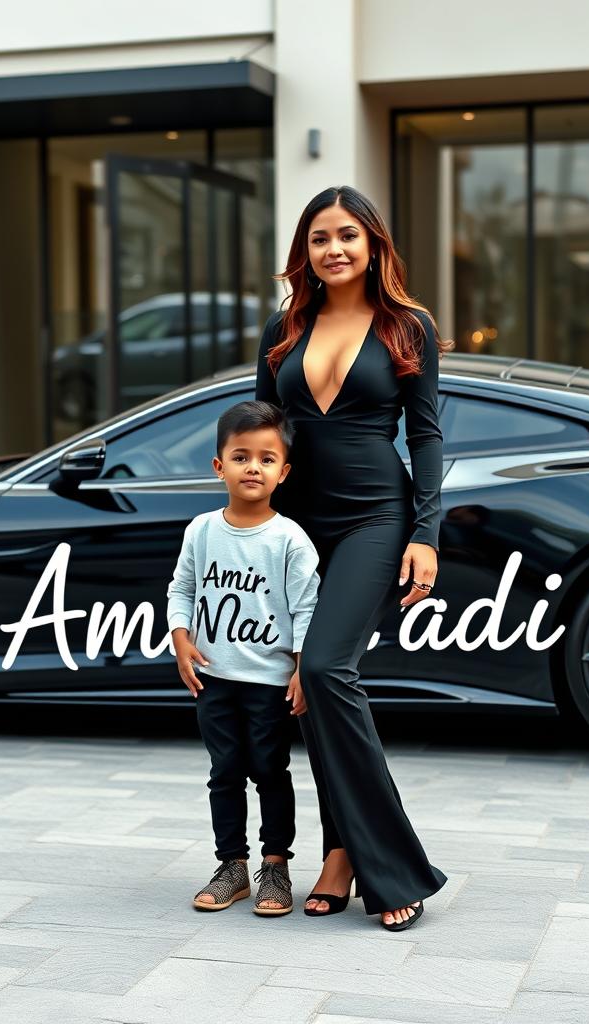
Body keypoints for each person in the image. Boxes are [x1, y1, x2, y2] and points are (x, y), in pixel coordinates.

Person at [255, 184, 455, 932]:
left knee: (326, 668)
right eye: (318, 238)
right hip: (298, 525)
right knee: (305, 687)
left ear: (373, 245)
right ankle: (340, 853)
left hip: (377, 515)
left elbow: (427, 436)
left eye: (347, 235)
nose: (333, 249)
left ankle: (390, 865)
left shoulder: (409, 327)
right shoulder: (284, 327)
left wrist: (426, 533)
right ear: (303, 252)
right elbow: (265, 434)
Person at [166, 399, 321, 916]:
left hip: (268, 682)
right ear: (219, 466)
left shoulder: (290, 540)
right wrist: (180, 634)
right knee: (224, 771)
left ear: (284, 471)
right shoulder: (201, 531)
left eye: (266, 458)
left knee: (270, 771)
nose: (253, 467)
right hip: (214, 679)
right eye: (240, 456)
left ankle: (275, 866)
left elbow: (305, 609)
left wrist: (301, 667)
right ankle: (231, 864)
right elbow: (181, 588)